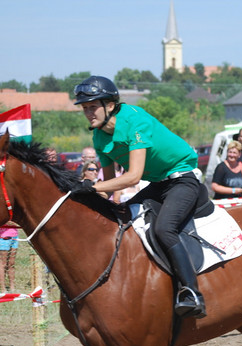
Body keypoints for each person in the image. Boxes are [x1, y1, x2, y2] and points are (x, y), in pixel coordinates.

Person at [72, 75, 209, 318]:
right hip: (158, 183)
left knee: (164, 229)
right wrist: (88, 191)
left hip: (183, 180)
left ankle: (192, 293)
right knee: (120, 218)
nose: (88, 113)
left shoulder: (135, 120)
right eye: (84, 108)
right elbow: (110, 183)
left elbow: (133, 177)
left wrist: (93, 187)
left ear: (110, 105)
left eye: (93, 106)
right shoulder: (99, 135)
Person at [0, 222, 19, 293]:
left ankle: (12, 287)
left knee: (11, 263)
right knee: (3, 263)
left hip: (15, 236)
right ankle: (3, 288)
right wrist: (15, 223)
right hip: (4, 237)